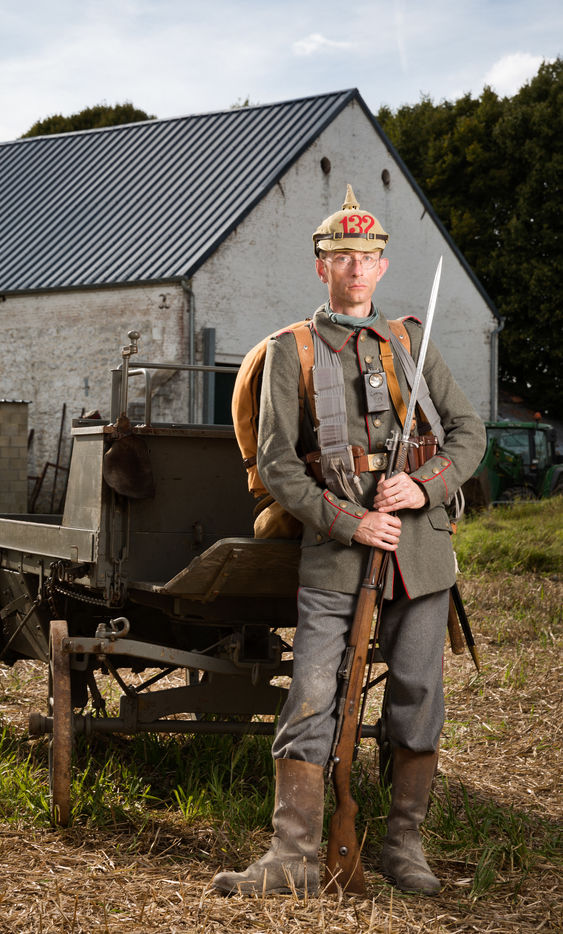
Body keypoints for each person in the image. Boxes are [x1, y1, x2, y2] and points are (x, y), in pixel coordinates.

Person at [212, 185, 486, 897]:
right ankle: (293, 855)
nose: (356, 268)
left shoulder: (410, 343)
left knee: (417, 695)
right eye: (341, 257)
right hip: (335, 554)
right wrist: (350, 521)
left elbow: (468, 433)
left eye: (367, 257)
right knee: (311, 693)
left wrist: (421, 486)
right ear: (321, 268)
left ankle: (403, 847)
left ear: (382, 266)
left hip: (419, 553)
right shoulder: (291, 351)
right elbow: (277, 464)